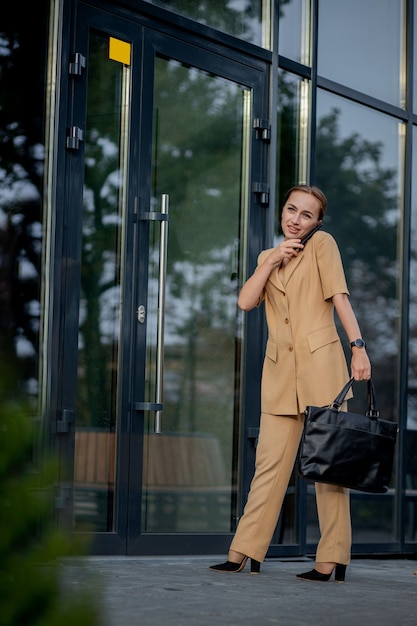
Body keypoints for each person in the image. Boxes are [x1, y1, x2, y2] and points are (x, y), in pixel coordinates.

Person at [210, 184, 371, 581]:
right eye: (290, 210)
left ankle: (331, 558)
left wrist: (359, 347)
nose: (295, 220)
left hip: (322, 369)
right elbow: (246, 301)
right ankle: (244, 551)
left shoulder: (322, 246)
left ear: (318, 222)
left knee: (329, 470)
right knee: (268, 467)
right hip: (280, 374)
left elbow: (340, 298)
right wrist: (270, 262)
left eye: (306, 215)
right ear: (282, 211)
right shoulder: (270, 256)